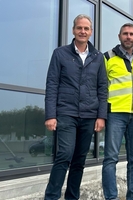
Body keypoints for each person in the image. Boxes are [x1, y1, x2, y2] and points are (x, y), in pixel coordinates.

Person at [44, 14, 108, 200]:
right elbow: (52, 84)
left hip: (89, 115)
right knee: (64, 155)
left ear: (91, 32)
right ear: (73, 30)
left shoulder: (97, 57)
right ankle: (52, 197)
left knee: (79, 160)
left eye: (86, 28)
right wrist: (50, 114)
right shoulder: (60, 53)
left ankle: (72, 197)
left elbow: (102, 87)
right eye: (79, 28)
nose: (82, 31)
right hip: (66, 113)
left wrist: (101, 115)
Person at [102, 23, 133, 200]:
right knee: (110, 159)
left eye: (132, 34)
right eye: (125, 34)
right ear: (119, 36)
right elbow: (101, 88)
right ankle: (111, 197)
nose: (128, 37)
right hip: (115, 114)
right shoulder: (107, 57)